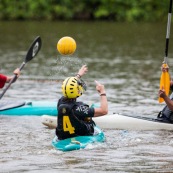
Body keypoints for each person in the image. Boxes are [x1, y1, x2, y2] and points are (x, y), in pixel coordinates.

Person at [56, 65, 108, 140]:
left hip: (63, 137)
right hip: (80, 136)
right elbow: (104, 111)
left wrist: (78, 75)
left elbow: (70, 88)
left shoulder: (60, 102)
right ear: (77, 91)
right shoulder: (79, 109)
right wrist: (102, 92)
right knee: (88, 118)